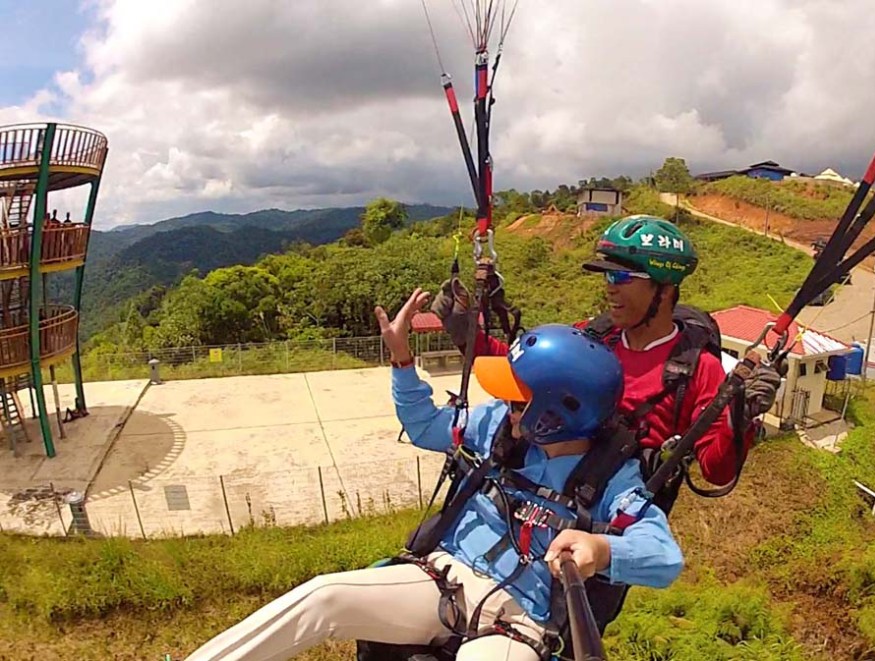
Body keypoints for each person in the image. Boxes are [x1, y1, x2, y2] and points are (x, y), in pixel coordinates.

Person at [187, 289, 683, 661]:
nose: (505, 405)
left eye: (518, 399)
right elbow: (427, 427)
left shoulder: (610, 477)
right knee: (325, 596)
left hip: (515, 624)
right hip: (443, 580)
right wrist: (403, 360)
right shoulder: (499, 429)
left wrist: (603, 549)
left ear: (554, 413)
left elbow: (664, 557)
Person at [433, 215, 781, 514]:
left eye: (622, 278)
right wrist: (469, 336)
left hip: (605, 518)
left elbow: (716, 472)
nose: (610, 289)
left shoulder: (698, 369)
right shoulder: (597, 336)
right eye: (607, 277)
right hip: (539, 488)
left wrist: (740, 416)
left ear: (664, 288)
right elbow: (529, 374)